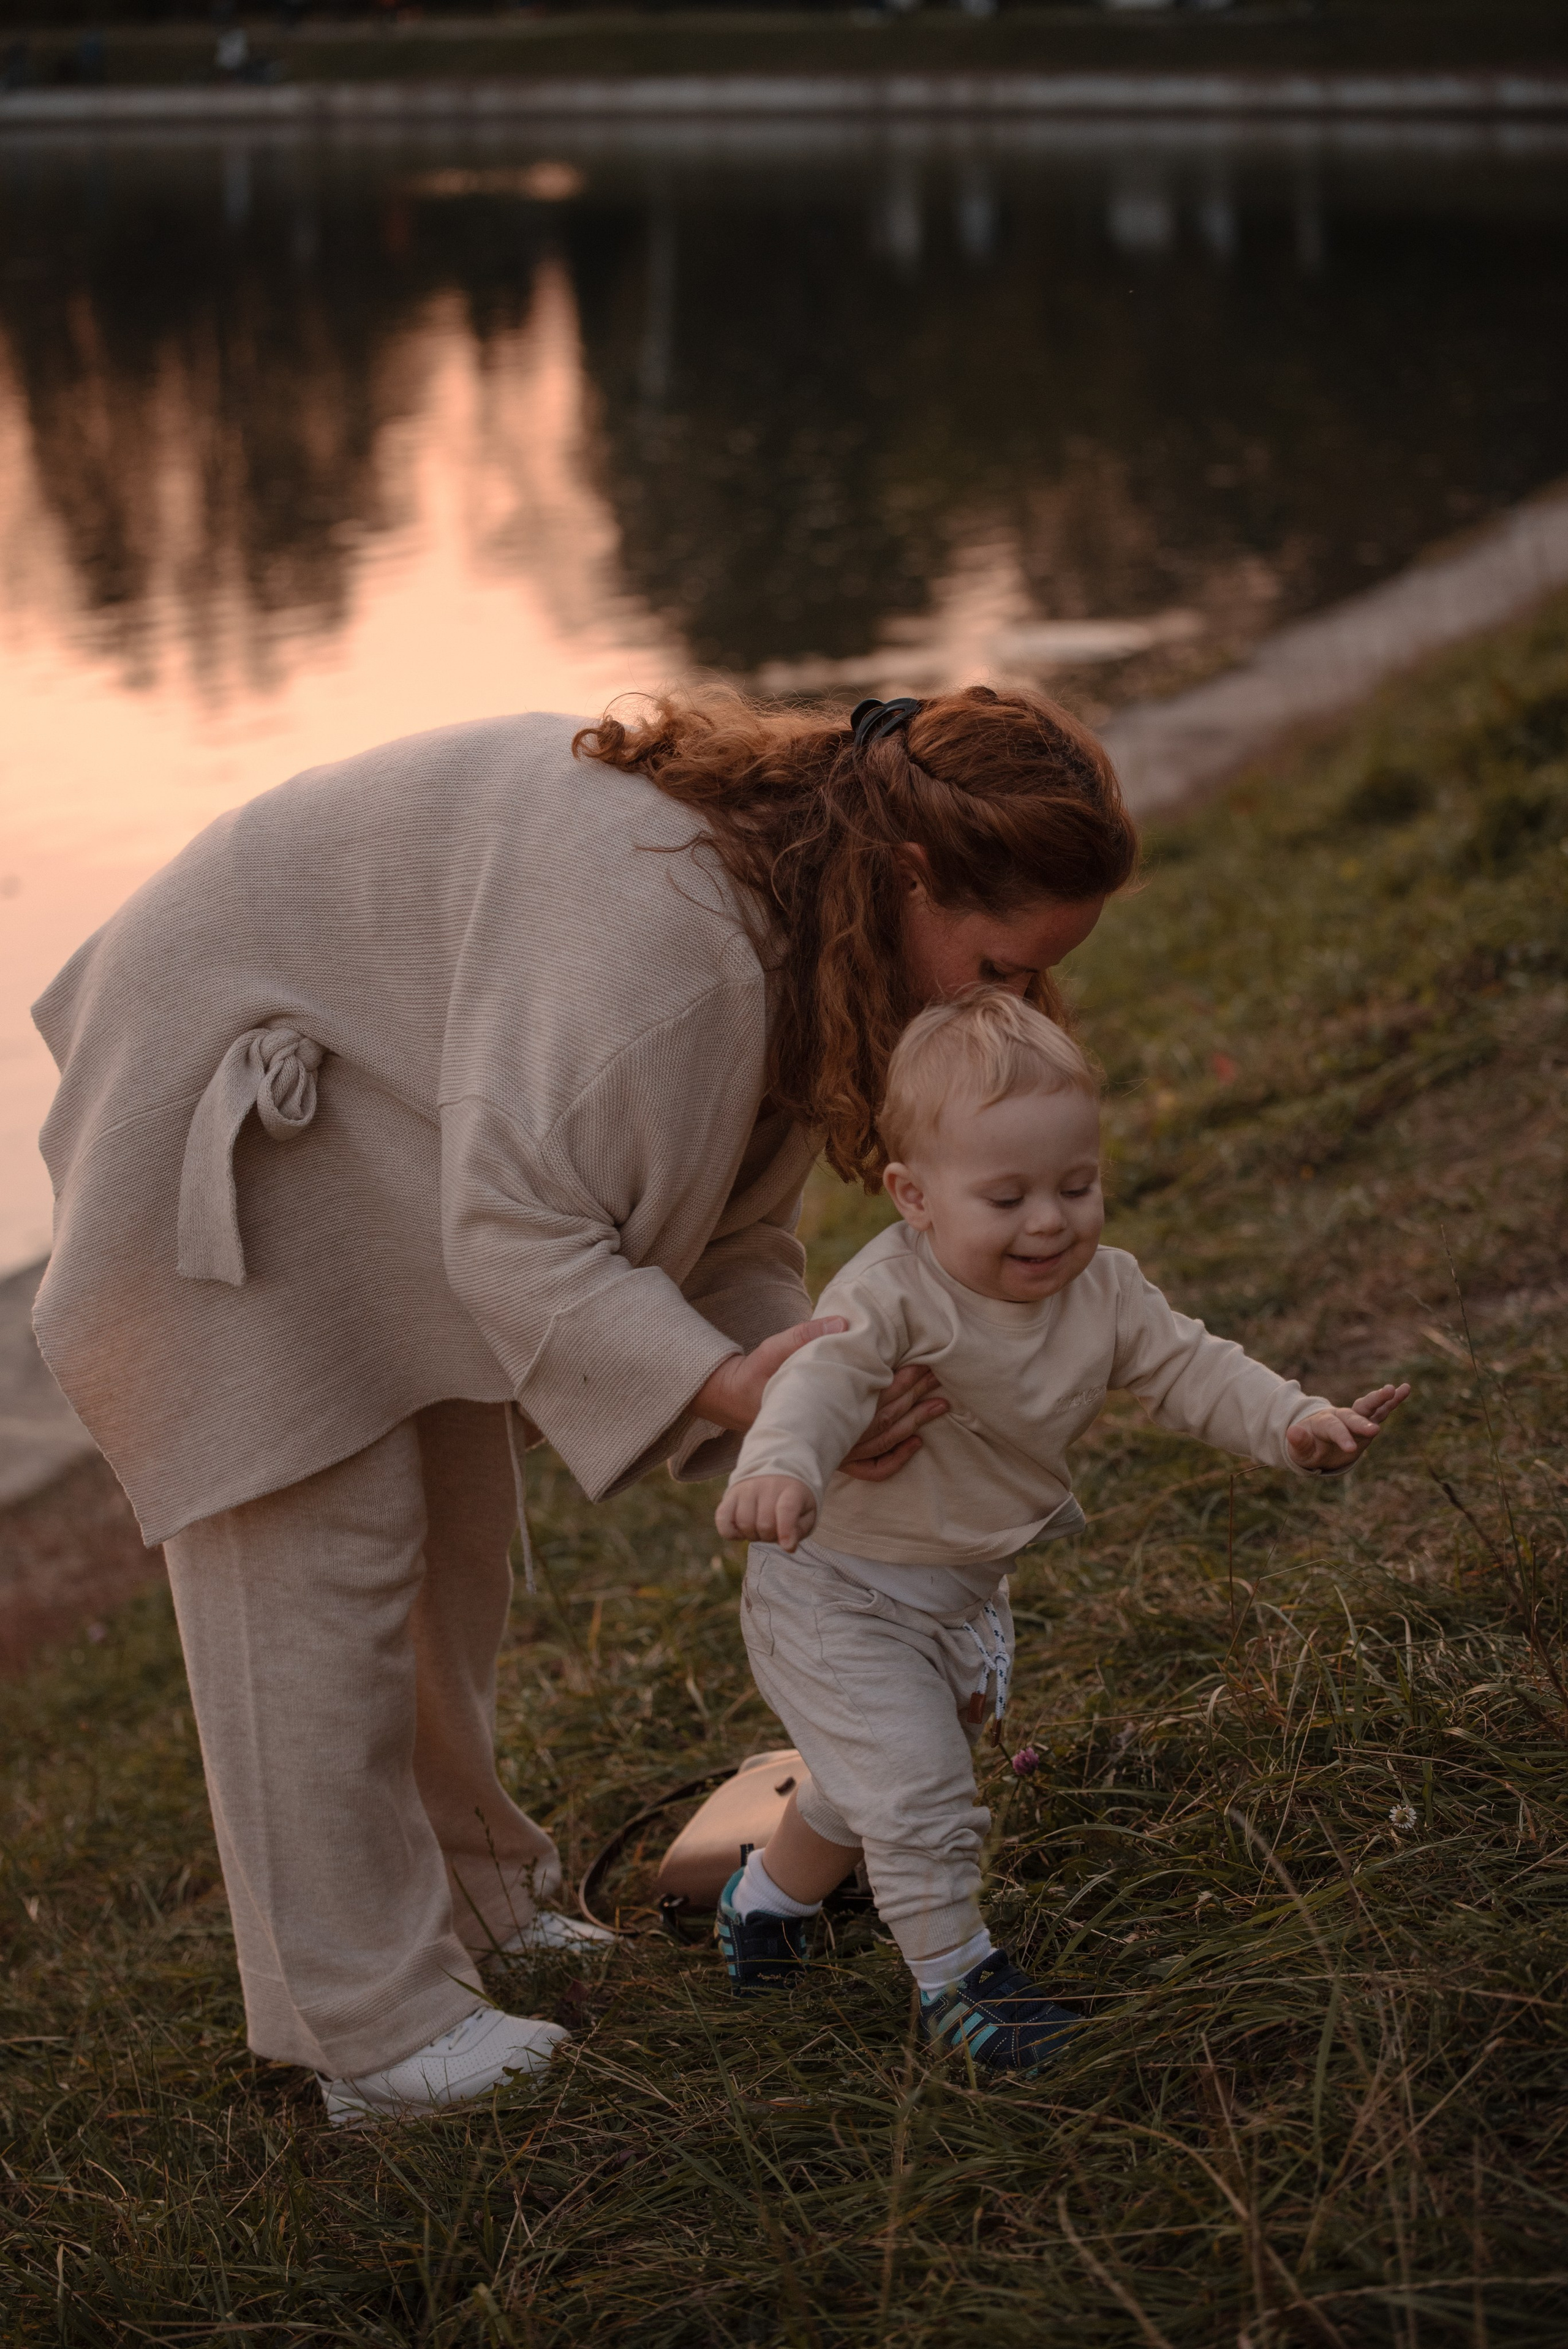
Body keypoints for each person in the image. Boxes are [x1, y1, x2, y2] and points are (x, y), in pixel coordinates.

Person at [31, 684, 1138, 2124]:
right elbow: (521, 1235)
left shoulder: (818, 922)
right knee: (316, 1547)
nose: (999, 1010)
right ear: (916, 871)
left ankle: (482, 1905)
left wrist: (804, 1387)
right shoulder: (673, 959)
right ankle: (363, 2030)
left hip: (382, 1077)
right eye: (994, 966)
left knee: (454, 1536)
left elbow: (721, 1228)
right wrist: (721, 1384)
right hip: (221, 1068)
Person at [715, 987, 1410, 2076]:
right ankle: (960, 1984)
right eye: (1007, 1198)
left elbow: (1190, 1363)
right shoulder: (890, 1297)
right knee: (918, 1790)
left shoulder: (1104, 1292)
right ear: (914, 1197)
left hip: (954, 1590)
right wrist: (779, 1466)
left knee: (862, 1785)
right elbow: (819, 1383)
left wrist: (1292, 1420)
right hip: (833, 1591)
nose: (1049, 1221)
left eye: (1076, 1186)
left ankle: (762, 1905)